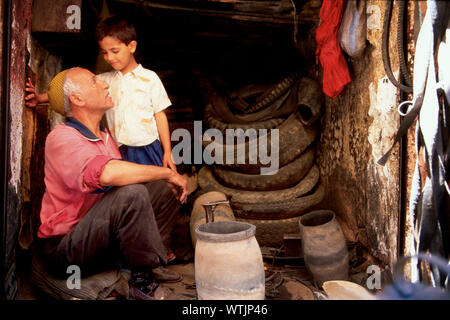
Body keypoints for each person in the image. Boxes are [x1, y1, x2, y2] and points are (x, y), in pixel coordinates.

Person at [26, 15, 179, 262]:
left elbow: (159, 114)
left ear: (132, 46)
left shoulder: (148, 80)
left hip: (146, 149)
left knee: (161, 191)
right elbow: (71, 92)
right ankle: (135, 265)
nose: (109, 59)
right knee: (133, 194)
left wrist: (167, 154)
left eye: (115, 51)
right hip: (72, 233)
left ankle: (157, 254)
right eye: (105, 53)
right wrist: (43, 97)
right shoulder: (68, 133)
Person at [35, 67, 188, 300]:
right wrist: (166, 172)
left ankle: (145, 268)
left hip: (96, 237)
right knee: (134, 193)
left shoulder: (105, 137)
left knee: (162, 190)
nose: (105, 85)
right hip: (65, 248)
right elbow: (105, 174)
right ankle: (141, 282)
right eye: (95, 82)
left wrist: (166, 178)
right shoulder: (62, 137)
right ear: (77, 99)